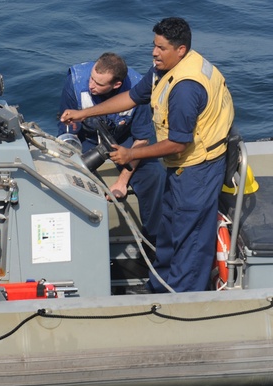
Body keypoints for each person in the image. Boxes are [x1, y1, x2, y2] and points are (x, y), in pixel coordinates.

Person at [60, 18, 234, 293]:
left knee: (190, 237)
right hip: (180, 166)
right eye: (154, 45)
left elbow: (178, 142)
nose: (154, 52)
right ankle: (159, 284)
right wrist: (83, 114)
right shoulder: (163, 70)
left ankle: (182, 299)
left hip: (199, 168)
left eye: (161, 48)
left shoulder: (186, 87)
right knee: (168, 229)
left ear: (180, 49)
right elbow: (132, 97)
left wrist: (130, 152)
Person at [58, 52, 165, 240]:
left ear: (116, 85)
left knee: (155, 175)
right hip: (86, 140)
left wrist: (122, 181)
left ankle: (153, 239)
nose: (91, 85)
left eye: (99, 84)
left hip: (125, 142)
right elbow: (67, 129)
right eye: (91, 78)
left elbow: (142, 139)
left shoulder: (139, 88)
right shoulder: (75, 81)